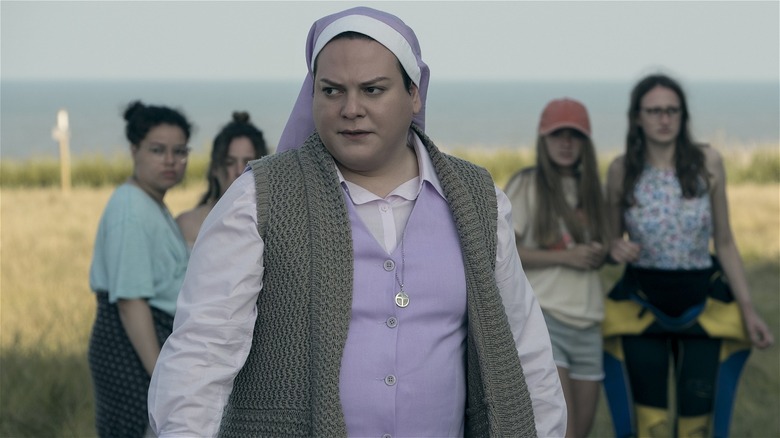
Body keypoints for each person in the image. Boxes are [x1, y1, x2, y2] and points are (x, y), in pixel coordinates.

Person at [148, 6, 566, 437]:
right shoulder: (259, 199)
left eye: (372, 89)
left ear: (414, 93)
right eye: (331, 91)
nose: (351, 109)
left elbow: (524, 348)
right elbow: (202, 352)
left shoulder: (479, 200)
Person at [601, 73, 774, 438]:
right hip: (641, 304)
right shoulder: (621, 170)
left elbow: (725, 242)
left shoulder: (709, 162)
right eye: (654, 111)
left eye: (672, 110)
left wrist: (747, 309)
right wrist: (614, 247)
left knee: (697, 425)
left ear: (682, 115)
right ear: (637, 117)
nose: (664, 119)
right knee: (652, 424)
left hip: (702, 302)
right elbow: (609, 244)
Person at [504, 98, 608, 438]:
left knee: (581, 432)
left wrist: (610, 250)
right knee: (562, 431)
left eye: (574, 135)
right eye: (557, 134)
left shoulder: (593, 190)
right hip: (547, 320)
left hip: (589, 324)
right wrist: (567, 257)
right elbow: (505, 253)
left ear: (585, 143)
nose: (566, 143)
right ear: (543, 139)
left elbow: (601, 247)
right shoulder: (526, 184)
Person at [88, 101, 191, 437]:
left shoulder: (151, 203)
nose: (171, 161)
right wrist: (162, 378)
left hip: (151, 343)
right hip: (131, 346)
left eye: (180, 151)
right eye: (158, 150)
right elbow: (131, 302)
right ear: (134, 150)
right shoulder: (130, 208)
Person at [176, 111, 268, 248]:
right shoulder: (188, 224)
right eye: (229, 162)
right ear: (215, 168)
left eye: (248, 163)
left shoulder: (270, 226)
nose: (239, 171)